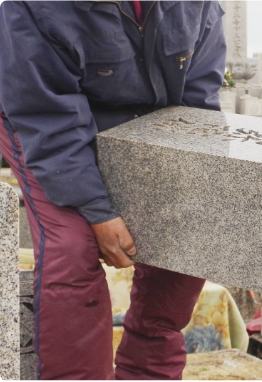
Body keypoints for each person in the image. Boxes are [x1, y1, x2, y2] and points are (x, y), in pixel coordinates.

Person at [0, 1, 225, 379]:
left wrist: (191, 187)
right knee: (72, 247)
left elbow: (198, 100)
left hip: (145, 128)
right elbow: (46, 114)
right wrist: (97, 208)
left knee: (187, 237)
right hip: (45, 121)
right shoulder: (32, 8)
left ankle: (148, 371)